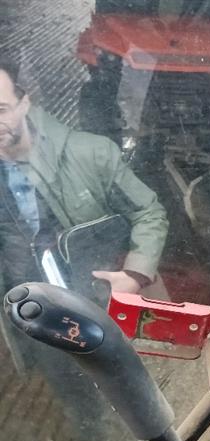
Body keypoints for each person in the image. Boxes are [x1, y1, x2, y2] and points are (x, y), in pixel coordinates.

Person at [0, 55, 167, 296]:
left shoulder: (91, 154)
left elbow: (148, 212)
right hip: (21, 304)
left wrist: (134, 275)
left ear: (24, 104)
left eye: (1, 110)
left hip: (97, 296)